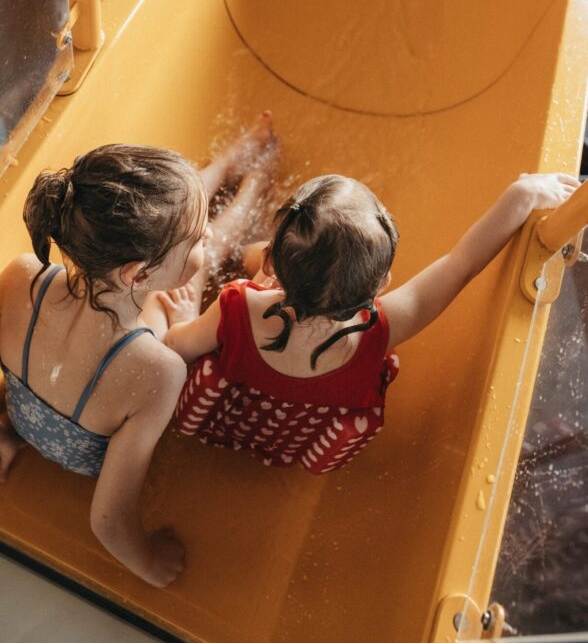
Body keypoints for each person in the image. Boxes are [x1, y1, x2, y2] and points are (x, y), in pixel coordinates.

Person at [0, 121, 277, 588]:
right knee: (194, 279)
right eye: (193, 240)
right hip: (100, 419)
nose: (200, 242)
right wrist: (150, 566)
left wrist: (4, 439)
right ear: (137, 276)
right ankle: (250, 182)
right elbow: (109, 522)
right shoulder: (158, 371)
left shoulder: (20, 278)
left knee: (175, 238)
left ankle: (218, 173)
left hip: (32, 420)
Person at [161, 170, 579, 472]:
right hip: (290, 443)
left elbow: (176, 347)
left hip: (222, 422)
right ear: (382, 285)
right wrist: (520, 197)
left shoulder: (236, 306)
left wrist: (183, 317)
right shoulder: (384, 328)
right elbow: (460, 266)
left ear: (275, 262)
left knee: (235, 265)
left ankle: (249, 198)